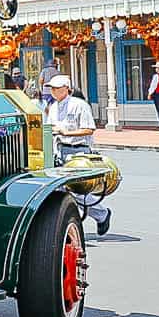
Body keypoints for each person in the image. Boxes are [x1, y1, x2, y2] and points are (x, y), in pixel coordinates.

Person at [45, 74, 111, 235]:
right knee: (60, 189)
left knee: (75, 189)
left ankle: (101, 213)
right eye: (52, 88)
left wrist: (67, 133)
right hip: (60, 149)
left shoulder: (79, 105)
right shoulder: (53, 107)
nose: (53, 91)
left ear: (66, 89)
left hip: (78, 149)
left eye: (56, 88)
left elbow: (89, 129)